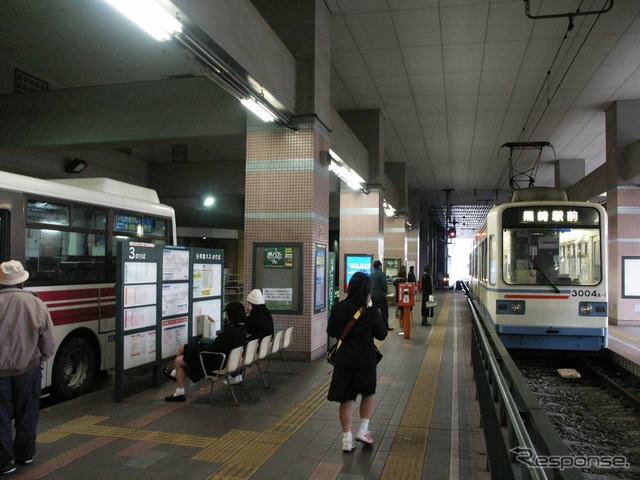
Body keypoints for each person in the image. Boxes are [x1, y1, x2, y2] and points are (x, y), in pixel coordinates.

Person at [0, 260, 55, 474]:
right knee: (27, 414)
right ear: (21, 282)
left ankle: (5, 463)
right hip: (28, 370)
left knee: (1, 417)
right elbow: (48, 340)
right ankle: (25, 455)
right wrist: (42, 359)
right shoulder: (35, 303)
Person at [327, 271, 387, 453]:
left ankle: (347, 439)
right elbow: (382, 334)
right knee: (367, 393)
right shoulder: (370, 311)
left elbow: (331, 331)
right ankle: (362, 431)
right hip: (365, 360)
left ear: (350, 288)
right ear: (367, 291)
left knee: (346, 398)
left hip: (344, 359)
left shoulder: (338, 308)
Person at [164, 301, 247, 402]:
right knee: (184, 347)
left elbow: (213, 349)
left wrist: (201, 347)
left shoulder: (230, 333)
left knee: (179, 360)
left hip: (214, 361)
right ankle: (175, 373)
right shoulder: (241, 329)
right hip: (223, 359)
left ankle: (179, 391)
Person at [370, 260, 391, 331]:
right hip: (381, 296)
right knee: (384, 311)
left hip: (373, 296)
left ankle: (374, 326)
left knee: (374, 311)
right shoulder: (381, 274)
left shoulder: (371, 274)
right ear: (379, 266)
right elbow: (384, 285)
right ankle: (385, 326)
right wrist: (385, 292)